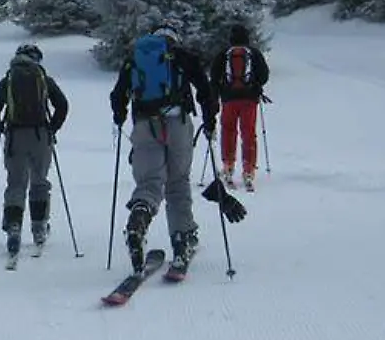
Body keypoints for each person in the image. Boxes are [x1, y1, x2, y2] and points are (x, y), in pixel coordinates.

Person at [109, 25, 217, 273]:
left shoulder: (135, 59)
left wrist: (120, 116)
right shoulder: (181, 56)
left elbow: (117, 95)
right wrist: (210, 119)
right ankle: (182, 240)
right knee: (177, 182)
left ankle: (138, 221)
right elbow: (204, 88)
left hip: (145, 125)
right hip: (177, 123)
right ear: (173, 38)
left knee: (148, 183)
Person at [0, 43, 69, 257]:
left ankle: (13, 226)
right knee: (40, 182)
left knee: (16, 183)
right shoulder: (42, 77)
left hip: (15, 137)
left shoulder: (9, 78)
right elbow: (62, 104)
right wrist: (53, 127)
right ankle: (39, 228)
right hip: (40, 136)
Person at [209, 24, 270, 191]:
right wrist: (256, 85)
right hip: (249, 99)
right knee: (248, 132)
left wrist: (216, 96)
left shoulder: (224, 54)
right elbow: (264, 75)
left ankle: (228, 165)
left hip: (229, 99)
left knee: (228, 130)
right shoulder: (254, 53)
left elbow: (214, 77)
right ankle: (248, 169)